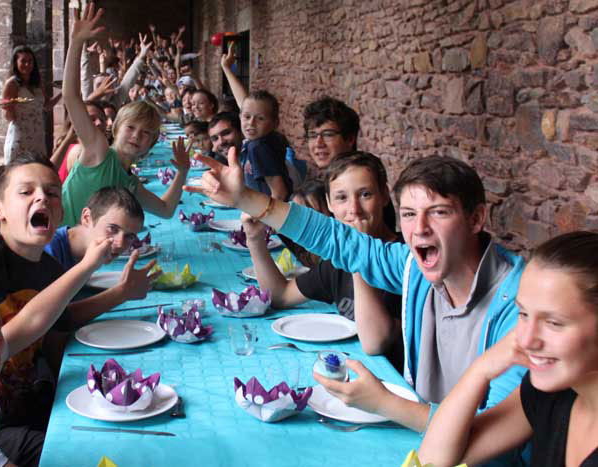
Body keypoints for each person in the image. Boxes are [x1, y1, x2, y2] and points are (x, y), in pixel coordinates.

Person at [187, 151, 526, 438]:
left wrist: (384, 403)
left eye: (439, 212)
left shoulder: (521, 308)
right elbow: (340, 241)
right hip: (417, 437)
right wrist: (246, 198)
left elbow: (490, 434)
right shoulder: (413, 266)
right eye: (409, 214)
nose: (419, 228)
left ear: (477, 218)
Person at [0, 154, 159, 438]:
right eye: (26, 192)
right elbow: (16, 334)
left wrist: (121, 292)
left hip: (28, 403)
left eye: (52, 193)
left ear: (61, 213)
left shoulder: (49, 269)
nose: (41, 199)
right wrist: (90, 266)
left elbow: (62, 320)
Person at [419, 231, 598, 467]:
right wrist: (481, 368)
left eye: (553, 323)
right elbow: (434, 460)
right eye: (523, 314)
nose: (526, 340)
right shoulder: (551, 392)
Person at [244, 151, 403, 369]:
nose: (353, 210)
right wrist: (255, 240)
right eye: (341, 198)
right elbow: (279, 296)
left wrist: (357, 250)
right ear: (329, 204)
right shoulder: (335, 263)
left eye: (365, 194)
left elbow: (376, 342)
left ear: (384, 195)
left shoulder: (403, 260)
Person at [61, 3, 191, 227]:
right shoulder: (98, 149)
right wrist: (77, 42)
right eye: (131, 128)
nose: (136, 136)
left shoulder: (129, 182)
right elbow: (71, 96)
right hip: (62, 248)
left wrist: (182, 171)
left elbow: (166, 210)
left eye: (146, 133)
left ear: (151, 143)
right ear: (116, 128)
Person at [221, 44, 292, 200]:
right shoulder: (261, 137)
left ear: (275, 123)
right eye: (247, 117)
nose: (251, 123)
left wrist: (266, 221)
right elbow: (245, 104)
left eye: (260, 118)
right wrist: (226, 68)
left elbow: (279, 193)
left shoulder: (258, 147)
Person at [45, 186, 144, 271]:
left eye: (129, 236)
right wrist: (120, 292)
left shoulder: (91, 252)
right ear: (87, 218)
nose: (120, 244)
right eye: (112, 228)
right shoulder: (49, 250)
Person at [2, 45, 61, 162]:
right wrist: (7, 107)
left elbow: (47, 106)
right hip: (20, 136)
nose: (27, 65)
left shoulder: (37, 83)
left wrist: (63, 92)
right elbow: (9, 117)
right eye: (23, 61)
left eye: (30, 61)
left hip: (37, 135)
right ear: (16, 62)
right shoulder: (12, 84)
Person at [303, 96, 360, 172]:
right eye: (313, 135)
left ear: (350, 139)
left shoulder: (357, 180)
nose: (318, 143)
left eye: (328, 135)